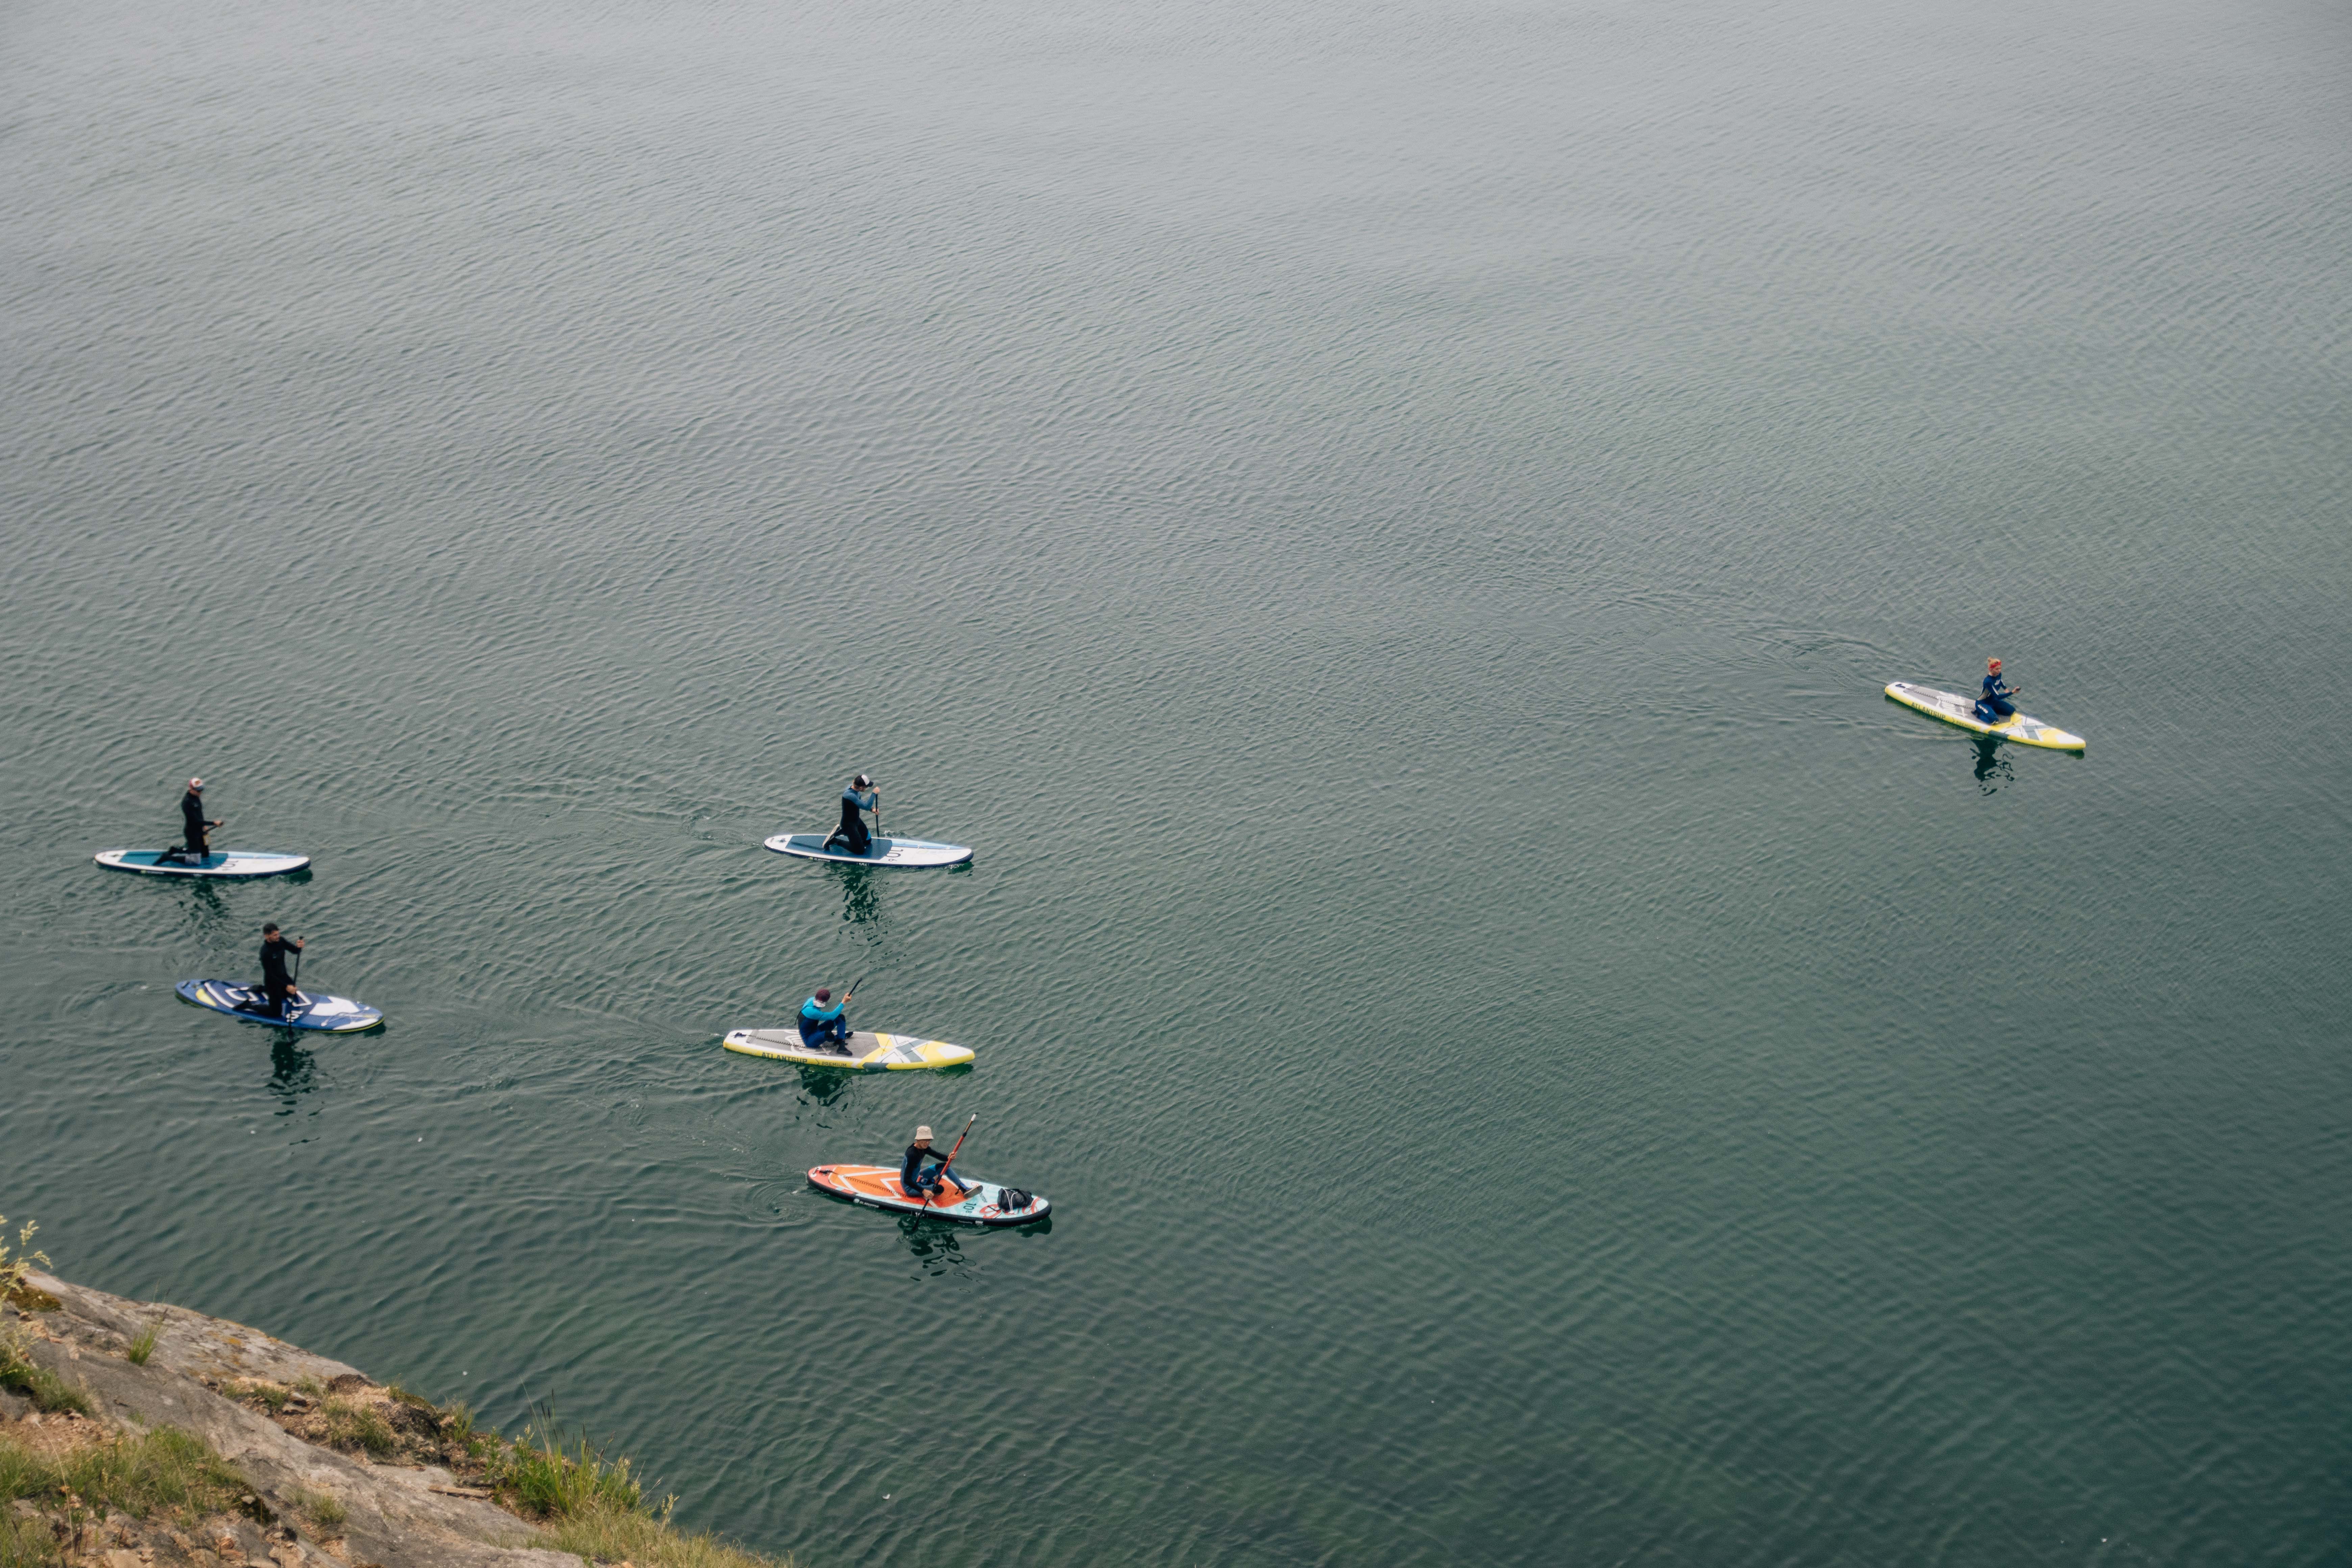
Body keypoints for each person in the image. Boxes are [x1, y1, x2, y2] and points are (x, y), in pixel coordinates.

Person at [902, 1125, 972, 1200]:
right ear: (918, 1140)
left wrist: (949, 1157)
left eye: (929, 1140)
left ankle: (963, 1188)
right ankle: (929, 1183)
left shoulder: (924, 1148)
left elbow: (938, 1156)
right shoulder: (912, 1155)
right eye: (925, 1140)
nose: (927, 1143)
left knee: (945, 1167)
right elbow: (906, 1180)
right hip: (910, 1187)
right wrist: (924, 1191)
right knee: (940, 1189)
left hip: (919, 1176)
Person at [255, 922, 305, 1019]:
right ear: (267, 936)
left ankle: (263, 989)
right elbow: (270, 974)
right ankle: (250, 1006)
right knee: (276, 1013)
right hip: (272, 982)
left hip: (284, 977)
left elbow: (295, 951)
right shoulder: (265, 952)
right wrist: (286, 986)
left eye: (278, 934)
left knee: (293, 993)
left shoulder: (281, 941)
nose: (278, 937)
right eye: (275, 935)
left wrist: (299, 947)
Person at [824, 774, 878, 855]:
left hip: (856, 821)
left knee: (868, 841)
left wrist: (872, 809)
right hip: (849, 825)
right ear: (861, 788)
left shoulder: (855, 790)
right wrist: (874, 794)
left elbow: (861, 803)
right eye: (866, 787)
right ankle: (834, 841)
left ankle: (841, 831)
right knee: (860, 851)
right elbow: (866, 806)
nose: (867, 789)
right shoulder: (850, 795)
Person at [170, 778, 222, 861]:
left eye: (202, 790)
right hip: (192, 833)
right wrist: (214, 823)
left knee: (205, 854)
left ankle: (176, 850)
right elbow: (196, 821)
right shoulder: (187, 803)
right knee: (196, 860)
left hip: (200, 830)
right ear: (191, 789)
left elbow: (200, 813)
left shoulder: (197, 797)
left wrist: (204, 826)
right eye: (198, 790)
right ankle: (169, 857)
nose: (200, 792)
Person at [798, 986, 853, 1051]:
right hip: (809, 1040)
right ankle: (838, 1039)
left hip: (816, 1030)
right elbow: (832, 1016)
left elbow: (834, 1017)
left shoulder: (811, 1000)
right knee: (828, 1034)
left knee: (840, 1017)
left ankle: (841, 1042)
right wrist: (844, 1002)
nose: (819, 1003)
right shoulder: (812, 1012)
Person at [1975, 658, 2022, 724]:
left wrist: (2005, 688)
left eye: (2000, 668)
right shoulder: (1988, 681)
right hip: (1982, 703)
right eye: (1997, 669)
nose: (1999, 671)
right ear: (1991, 669)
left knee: (2012, 711)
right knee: (1994, 721)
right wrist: (2012, 692)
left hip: (1993, 702)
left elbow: (2000, 681)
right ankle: (1978, 714)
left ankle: (1992, 711)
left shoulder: (1999, 675)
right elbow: (1998, 697)